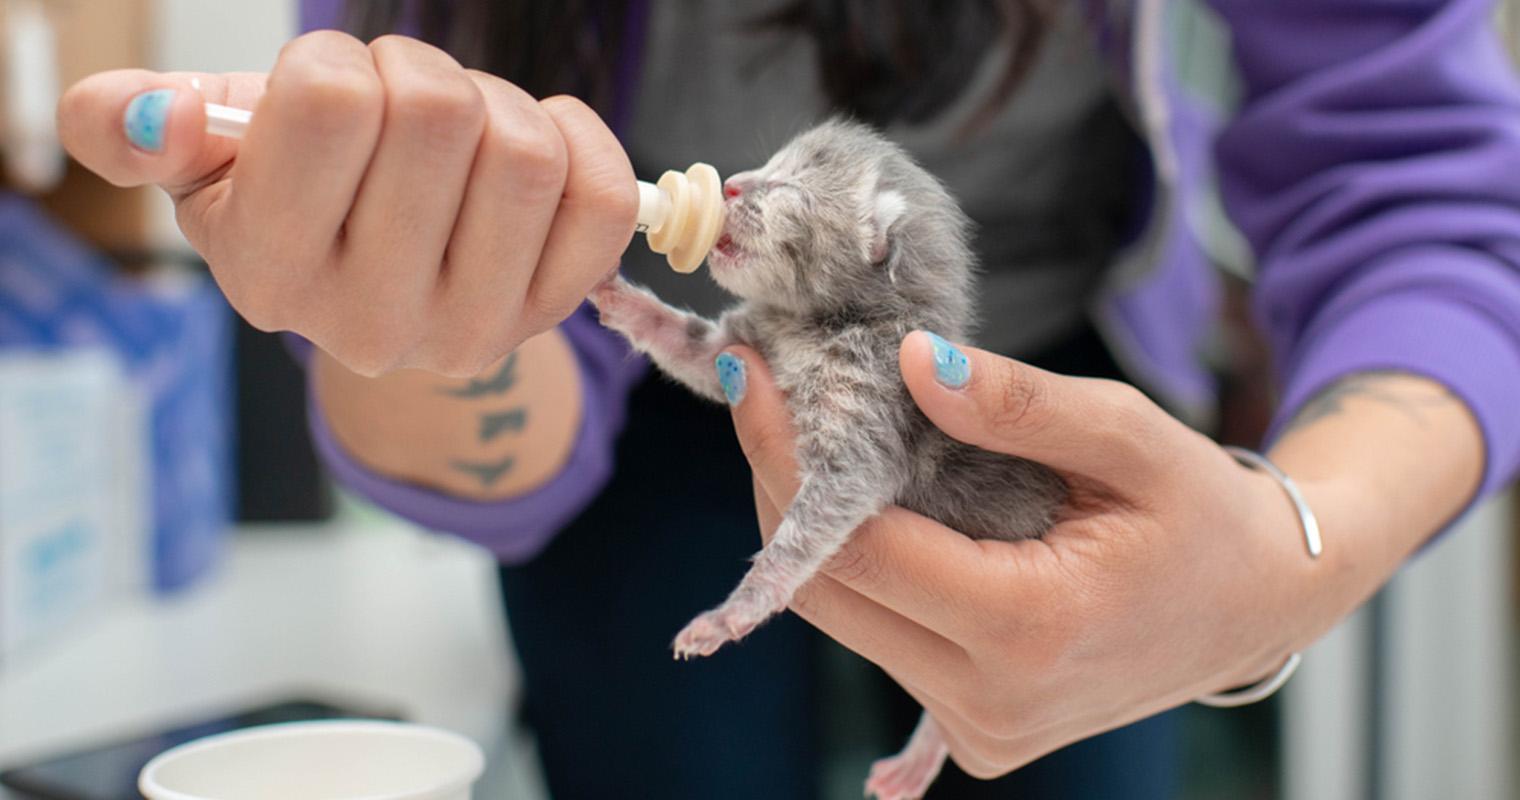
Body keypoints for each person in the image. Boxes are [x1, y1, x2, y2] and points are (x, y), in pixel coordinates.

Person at [55, 0, 1520, 797]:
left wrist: (1286, 553)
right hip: (626, 456)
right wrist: (454, 307)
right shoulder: (739, 302)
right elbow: (572, 384)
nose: (747, 188)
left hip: (1051, 390)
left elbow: (1430, 190)